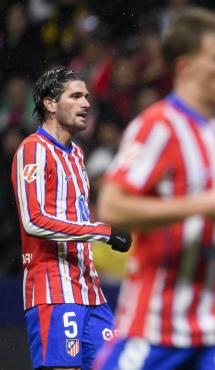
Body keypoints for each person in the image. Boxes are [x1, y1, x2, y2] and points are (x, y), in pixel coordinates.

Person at [94, 8, 215, 370]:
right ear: (185, 66)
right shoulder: (158, 126)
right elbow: (111, 206)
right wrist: (198, 205)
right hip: (157, 324)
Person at [11, 66, 133, 370]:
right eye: (76, 96)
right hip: (53, 289)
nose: (86, 103)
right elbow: (33, 220)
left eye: (87, 96)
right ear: (50, 104)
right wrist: (103, 231)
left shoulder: (77, 154)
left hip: (90, 290)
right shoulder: (33, 150)